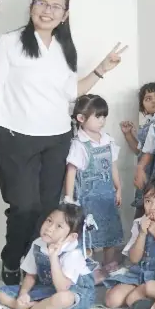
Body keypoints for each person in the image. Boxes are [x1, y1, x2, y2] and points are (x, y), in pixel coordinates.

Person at [0, 0, 126, 285]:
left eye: (56, 7)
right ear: (31, 7)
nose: (47, 10)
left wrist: (102, 69)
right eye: (42, 3)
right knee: (23, 206)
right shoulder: (7, 42)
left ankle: (36, 267)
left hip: (56, 137)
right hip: (16, 135)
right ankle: (13, 259)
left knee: (46, 208)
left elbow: (71, 92)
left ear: (65, 15)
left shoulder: (63, 48)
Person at [0, 203, 95, 309]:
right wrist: (23, 295)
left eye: (59, 226)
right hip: (47, 289)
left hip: (73, 293)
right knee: (1, 294)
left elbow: (63, 288)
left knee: (63, 298)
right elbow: (31, 275)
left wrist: (53, 257)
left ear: (71, 236)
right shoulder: (38, 244)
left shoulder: (73, 253)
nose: (49, 228)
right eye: (49, 221)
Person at [104, 175, 155, 309]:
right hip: (139, 273)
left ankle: (152, 299)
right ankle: (144, 297)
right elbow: (134, 259)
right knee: (111, 300)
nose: (152, 207)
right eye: (148, 201)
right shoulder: (139, 222)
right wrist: (142, 233)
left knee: (132, 299)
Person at [63, 94, 122, 273]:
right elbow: (71, 172)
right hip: (88, 199)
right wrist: (69, 198)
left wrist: (118, 188)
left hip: (107, 197)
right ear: (81, 119)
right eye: (98, 116)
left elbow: (113, 165)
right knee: (87, 235)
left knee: (110, 231)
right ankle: (87, 268)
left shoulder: (107, 140)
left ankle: (109, 265)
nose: (102, 121)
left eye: (104, 116)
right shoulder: (79, 144)